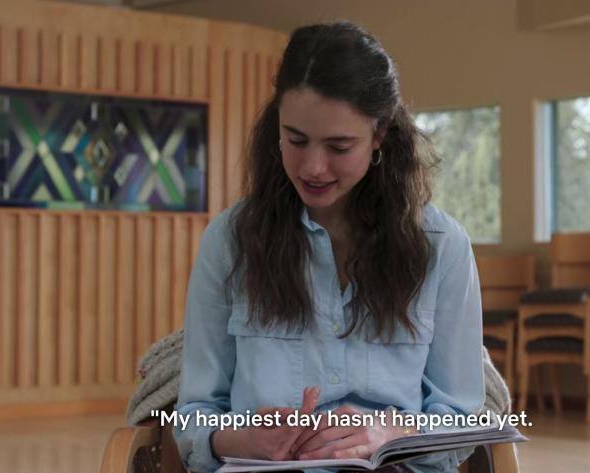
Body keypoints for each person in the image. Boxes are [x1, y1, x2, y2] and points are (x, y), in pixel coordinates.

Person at [173, 21, 485, 473]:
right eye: (295, 140)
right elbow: (192, 420)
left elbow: (462, 421)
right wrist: (241, 439)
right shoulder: (230, 241)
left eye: (339, 146)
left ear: (379, 136)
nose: (313, 167)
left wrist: (392, 433)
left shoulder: (443, 248)